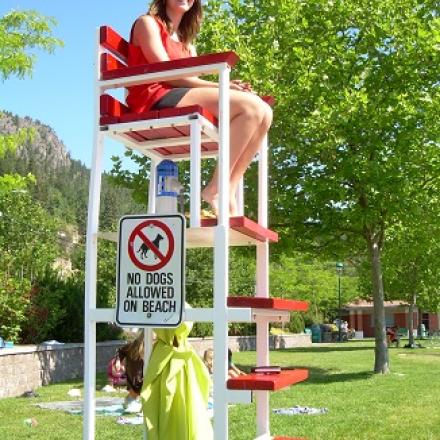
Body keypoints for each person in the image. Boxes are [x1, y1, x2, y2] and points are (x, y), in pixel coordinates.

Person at [127, 0, 273, 216]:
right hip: (153, 97)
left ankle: (227, 189)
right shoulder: (147, 23)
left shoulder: (188, 45)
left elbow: (189, 80)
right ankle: (214, 189)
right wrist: (223, 86)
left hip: (178, 94)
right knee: (250, 108)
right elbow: (167, 73)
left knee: (264, 112)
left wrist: (230, 89)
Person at [117, 331, 145, 412]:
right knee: (137, 390)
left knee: (137, 391)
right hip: (135, 373)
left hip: (139, 373)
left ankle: (129, 402)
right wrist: (118, 362)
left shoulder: (154, 345)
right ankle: (129, 402)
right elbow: (121, 351)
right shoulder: (134, 345)